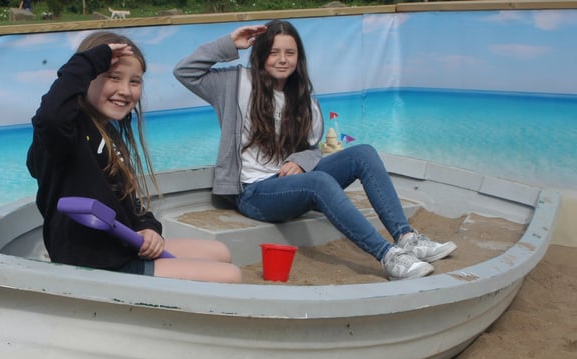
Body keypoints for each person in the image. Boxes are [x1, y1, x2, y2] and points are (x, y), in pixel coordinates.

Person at [173, 20, 456, 280]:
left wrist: (299, 160)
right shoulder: (233, 83)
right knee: (319, 181)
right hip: (254, 192)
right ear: (260, 54)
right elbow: (184, 71)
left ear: (299, 58)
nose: (282, 60)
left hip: (292, 184)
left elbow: (311, 147)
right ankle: (388, 256)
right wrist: (229, 43)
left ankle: (406, 238)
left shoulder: (303, 96)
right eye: (273, 52)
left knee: (363, 153)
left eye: (290, 53)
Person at [27, 31, 242, 283]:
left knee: (220, 252)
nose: (125, 91)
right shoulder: (66, 136)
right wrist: (89, 60)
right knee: (231, 277)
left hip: (123, 248)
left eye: (134, 82)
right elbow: (50, 116)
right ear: (86, 78)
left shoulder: (108, 134)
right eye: (113, 77)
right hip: (97, 265)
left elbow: (129, 205)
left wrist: (149, 229)